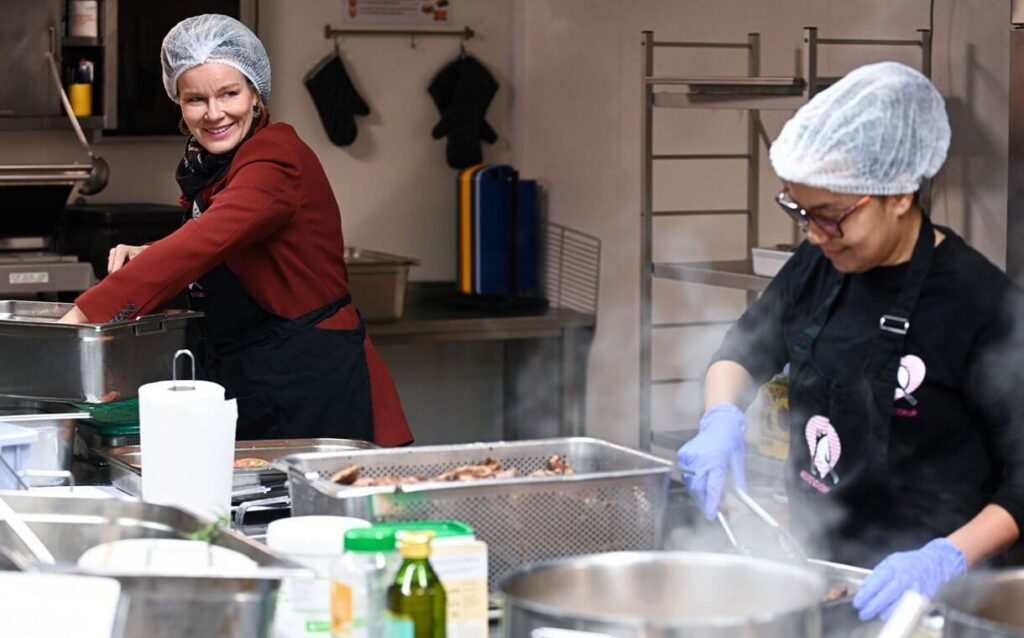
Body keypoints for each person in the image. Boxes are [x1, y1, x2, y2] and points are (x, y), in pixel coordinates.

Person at [677, 61, 1024, 621]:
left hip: (935, 602)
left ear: (900, 194)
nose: (813, 234)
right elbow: (741, 353)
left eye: (831, 215)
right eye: (800, 211)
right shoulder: (817, 265)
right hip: (820, 577)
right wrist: (720, 419)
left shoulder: (982, 304)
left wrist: (945, 559)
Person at [60, 14, 413, 447]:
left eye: (229, 93)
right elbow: (227, 240)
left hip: (309, 383)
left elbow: (208, 239)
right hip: (261, 373)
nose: (214, 113)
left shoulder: (275, 160)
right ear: (178, 102)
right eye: (195, 99)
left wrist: (84, 317)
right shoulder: (216, 163)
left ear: (255, 94)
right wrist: (151, 252)